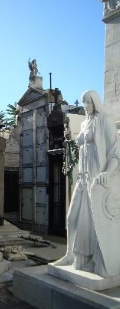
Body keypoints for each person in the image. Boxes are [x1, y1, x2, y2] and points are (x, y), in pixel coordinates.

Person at [54, 90, 120, 277]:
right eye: (83, 103)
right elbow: (79, 143)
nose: (85, 106)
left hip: (96, 178)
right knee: (72, 217)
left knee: (94, 222)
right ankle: (70, 255)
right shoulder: (84, 123)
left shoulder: (104, 121)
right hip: (83, 177)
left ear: (95, 102)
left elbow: (115, 152)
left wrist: (108, 172)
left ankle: (92, 259)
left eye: (88, 102)